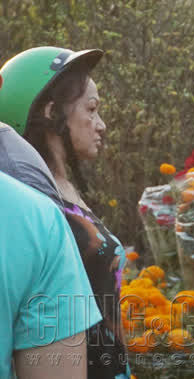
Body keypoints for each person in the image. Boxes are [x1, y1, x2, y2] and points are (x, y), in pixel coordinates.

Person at [0, 47, 129, 379]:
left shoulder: (63, 193)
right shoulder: (33, 209)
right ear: (51, 110)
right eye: (92, 109)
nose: (100, 125)